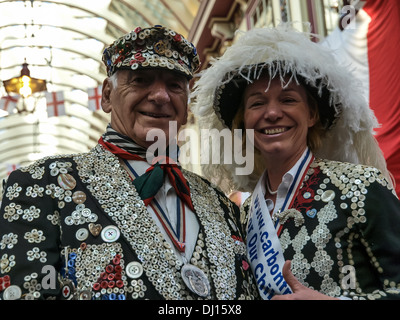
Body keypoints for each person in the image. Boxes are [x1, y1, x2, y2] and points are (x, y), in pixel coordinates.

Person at [0, 25, 259, 300]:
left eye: (174, 85)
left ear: (187, 104)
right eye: (140, 80)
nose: (161, 96)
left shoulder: (221, 205)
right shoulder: (41, 186)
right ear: (107, 96)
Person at [191, 24, 400, 300]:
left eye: (288, 99)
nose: (273, 113)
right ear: (244, 123)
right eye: (257, 103)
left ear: (312, 114)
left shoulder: (361, 187)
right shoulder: (242, 216)